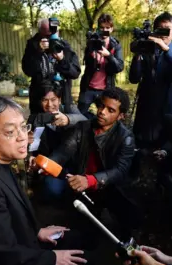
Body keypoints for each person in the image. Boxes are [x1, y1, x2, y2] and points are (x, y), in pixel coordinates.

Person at [0, 97, 90, 265]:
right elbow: (0, 253)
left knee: (81, 239)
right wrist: (51, 259)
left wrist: (37, 231)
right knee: (84, 261)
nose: (23, 137)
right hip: (3, 262)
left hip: (21, 242)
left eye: (23, 127)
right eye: (10, 132)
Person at [46, 87, 140, 241]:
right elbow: (63, 152)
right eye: (102, 106)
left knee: (128, 219)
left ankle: (127, 240)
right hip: (83, 186)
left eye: (110, 110)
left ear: (121, 116)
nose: (102, 111)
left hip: (109, 187)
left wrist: (91, 180)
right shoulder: (84, 127)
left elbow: (120, 170)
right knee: (85, 235)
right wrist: (46, 163)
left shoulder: (126, 138)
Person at [129, 11, 172, 150]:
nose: (163, 34)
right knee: (141, 149)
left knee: (166, 151)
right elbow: (134, 78)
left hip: (167, 108)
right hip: (146, 109)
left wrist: (166, 49)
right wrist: (138, 54)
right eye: (160, 29)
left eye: (167, 30)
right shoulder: (147, 50)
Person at [26, 80, 87, 202]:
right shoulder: (35, 118)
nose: (49, 105)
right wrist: (28, 148)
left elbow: (86, 121)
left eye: (53, 99)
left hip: (73, 163)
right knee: (52, 191)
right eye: (45, 100)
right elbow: (31, 150)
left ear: (59, 99)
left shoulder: (69, 109)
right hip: (50, 165)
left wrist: (68, 119)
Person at [22, 18, 81, 114]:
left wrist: (62, 60)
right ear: (40, 33)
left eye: (55, 32)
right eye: (48, 35)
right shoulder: (33, 45)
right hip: (40, 102)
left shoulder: (64, 46)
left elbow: (75, 73)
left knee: (65, 125)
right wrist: (38, 52)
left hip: (63, 100)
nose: (52, 37)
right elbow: (28, 70)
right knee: (39, 127)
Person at [78, 13, 125, 116]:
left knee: (104, 118)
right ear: (98, 29)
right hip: (88, 87)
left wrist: (108, 55)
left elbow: (119, 67)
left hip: (105, 89)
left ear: (112, 29)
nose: (105, 30)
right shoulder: (92, 42)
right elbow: (86, 62)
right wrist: (91, 51)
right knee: (80, 116)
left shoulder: (116, 46)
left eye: (107, 28)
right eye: (102, 28)